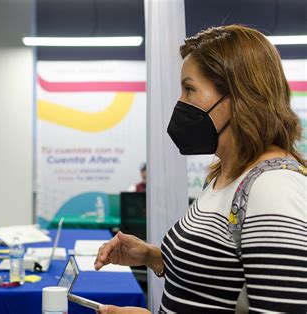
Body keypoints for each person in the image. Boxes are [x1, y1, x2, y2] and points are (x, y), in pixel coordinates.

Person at [95, 25, 306, 313]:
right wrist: (152, 256)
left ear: (237, 97)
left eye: (189, 89)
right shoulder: (226, 177)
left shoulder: (272, 189)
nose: (181, 103)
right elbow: (214, 279)